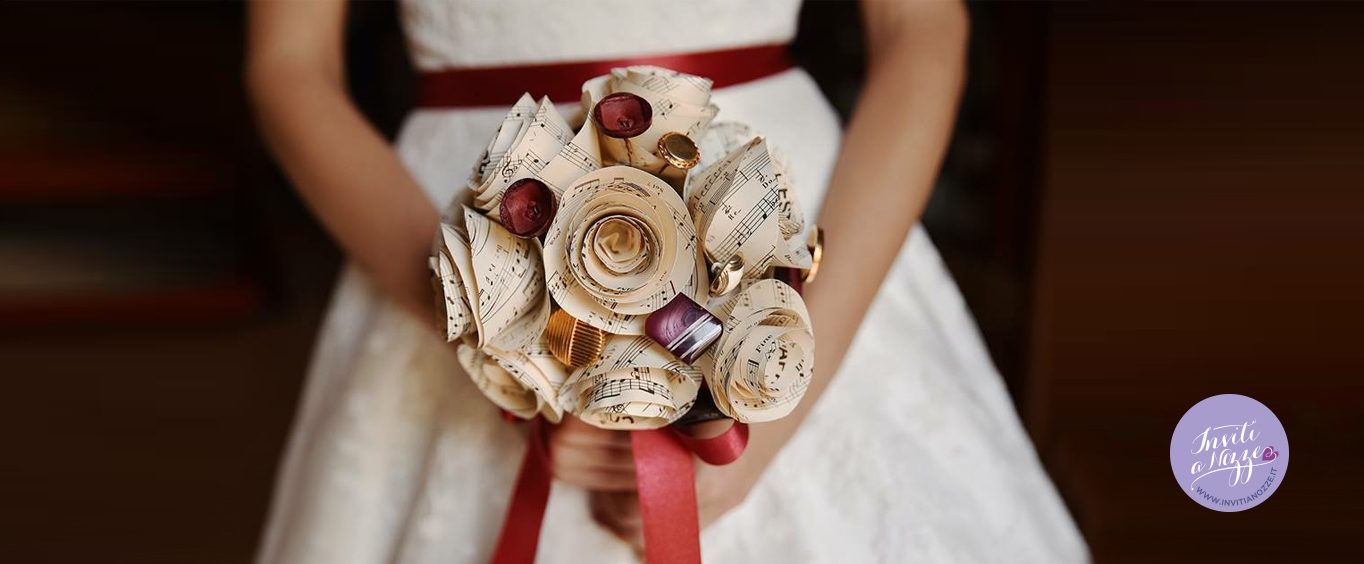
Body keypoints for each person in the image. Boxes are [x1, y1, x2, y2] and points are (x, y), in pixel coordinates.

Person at [246, 0, 1088, 562]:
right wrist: (506, 341)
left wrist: (772, 399)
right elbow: (290, 65)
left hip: (774, 228)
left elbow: (922, 30)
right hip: (458, 236)